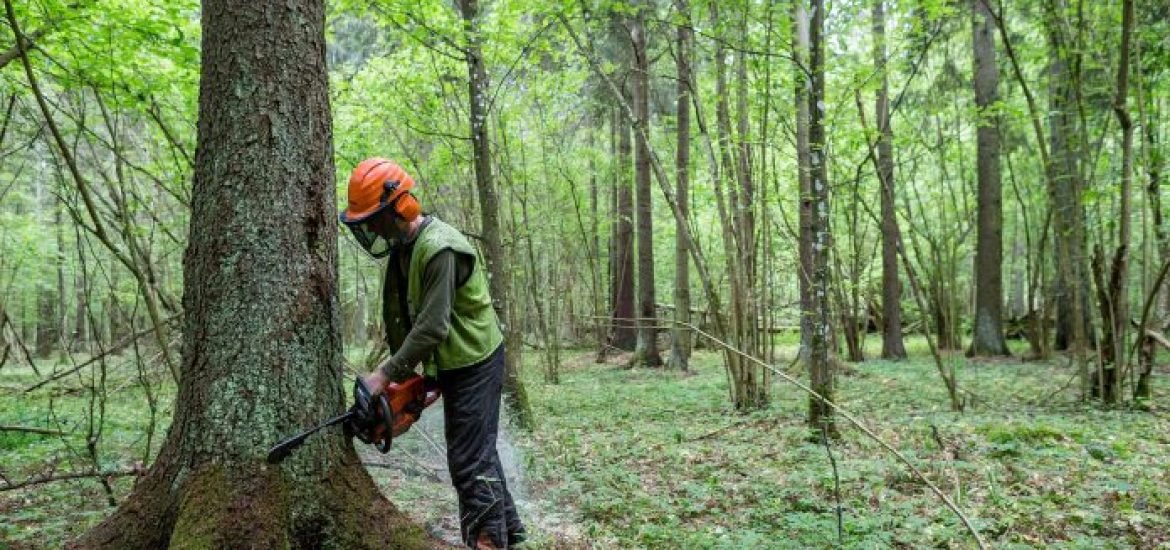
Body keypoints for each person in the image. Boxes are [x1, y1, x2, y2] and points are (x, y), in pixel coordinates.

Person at [339, 158, 526, 549]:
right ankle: (509, 536)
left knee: (469, 462)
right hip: (454, 361)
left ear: (398, 207)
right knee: (477, 456)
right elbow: (410, 319)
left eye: (374, 218)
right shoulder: (405, 250)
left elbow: (434, 325)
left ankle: (488, 543)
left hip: (475, 360)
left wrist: (385, 374)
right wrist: (420, 379)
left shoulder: (439, 249)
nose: (371, 227)